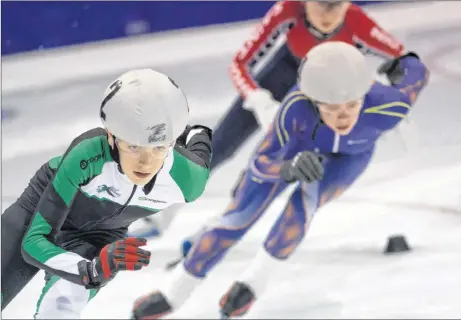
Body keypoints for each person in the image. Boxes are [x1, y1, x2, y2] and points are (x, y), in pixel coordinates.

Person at [130, 41, 430, 319]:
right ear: (313, 101)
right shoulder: (295, 109)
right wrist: (287, 168)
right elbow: (261, 163)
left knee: (301, 208)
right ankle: (174, 293)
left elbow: (417, 75)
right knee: (237, 217)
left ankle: (252, 285)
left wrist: (407, 61)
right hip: (291, 153)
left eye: (352, 105)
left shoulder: (390, 105)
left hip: (347, 159)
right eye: (331, 108)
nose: (343, 117)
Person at [128, 0, 406, 240]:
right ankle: (159, 213)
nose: (327, 15)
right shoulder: (287, 11)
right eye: (319, 5)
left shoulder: (357, 22)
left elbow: (406, 62)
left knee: (281, 166)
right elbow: (239, 63)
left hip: (323, 96)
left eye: (336, 6)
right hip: (281, 78)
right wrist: (258, 99)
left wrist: (380, 94)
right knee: (219, 145)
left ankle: (219, 227)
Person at [1, 69, 213, 318]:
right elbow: (33, 242)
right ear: (111, 136)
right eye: (133, 146)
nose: (146, 162)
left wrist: (96, 267)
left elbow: (201, 135)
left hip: (99, 236)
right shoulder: (88, 155)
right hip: (38, 212)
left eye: (158, 148)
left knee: (60, 311)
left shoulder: (188, 180)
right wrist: (91, 271)